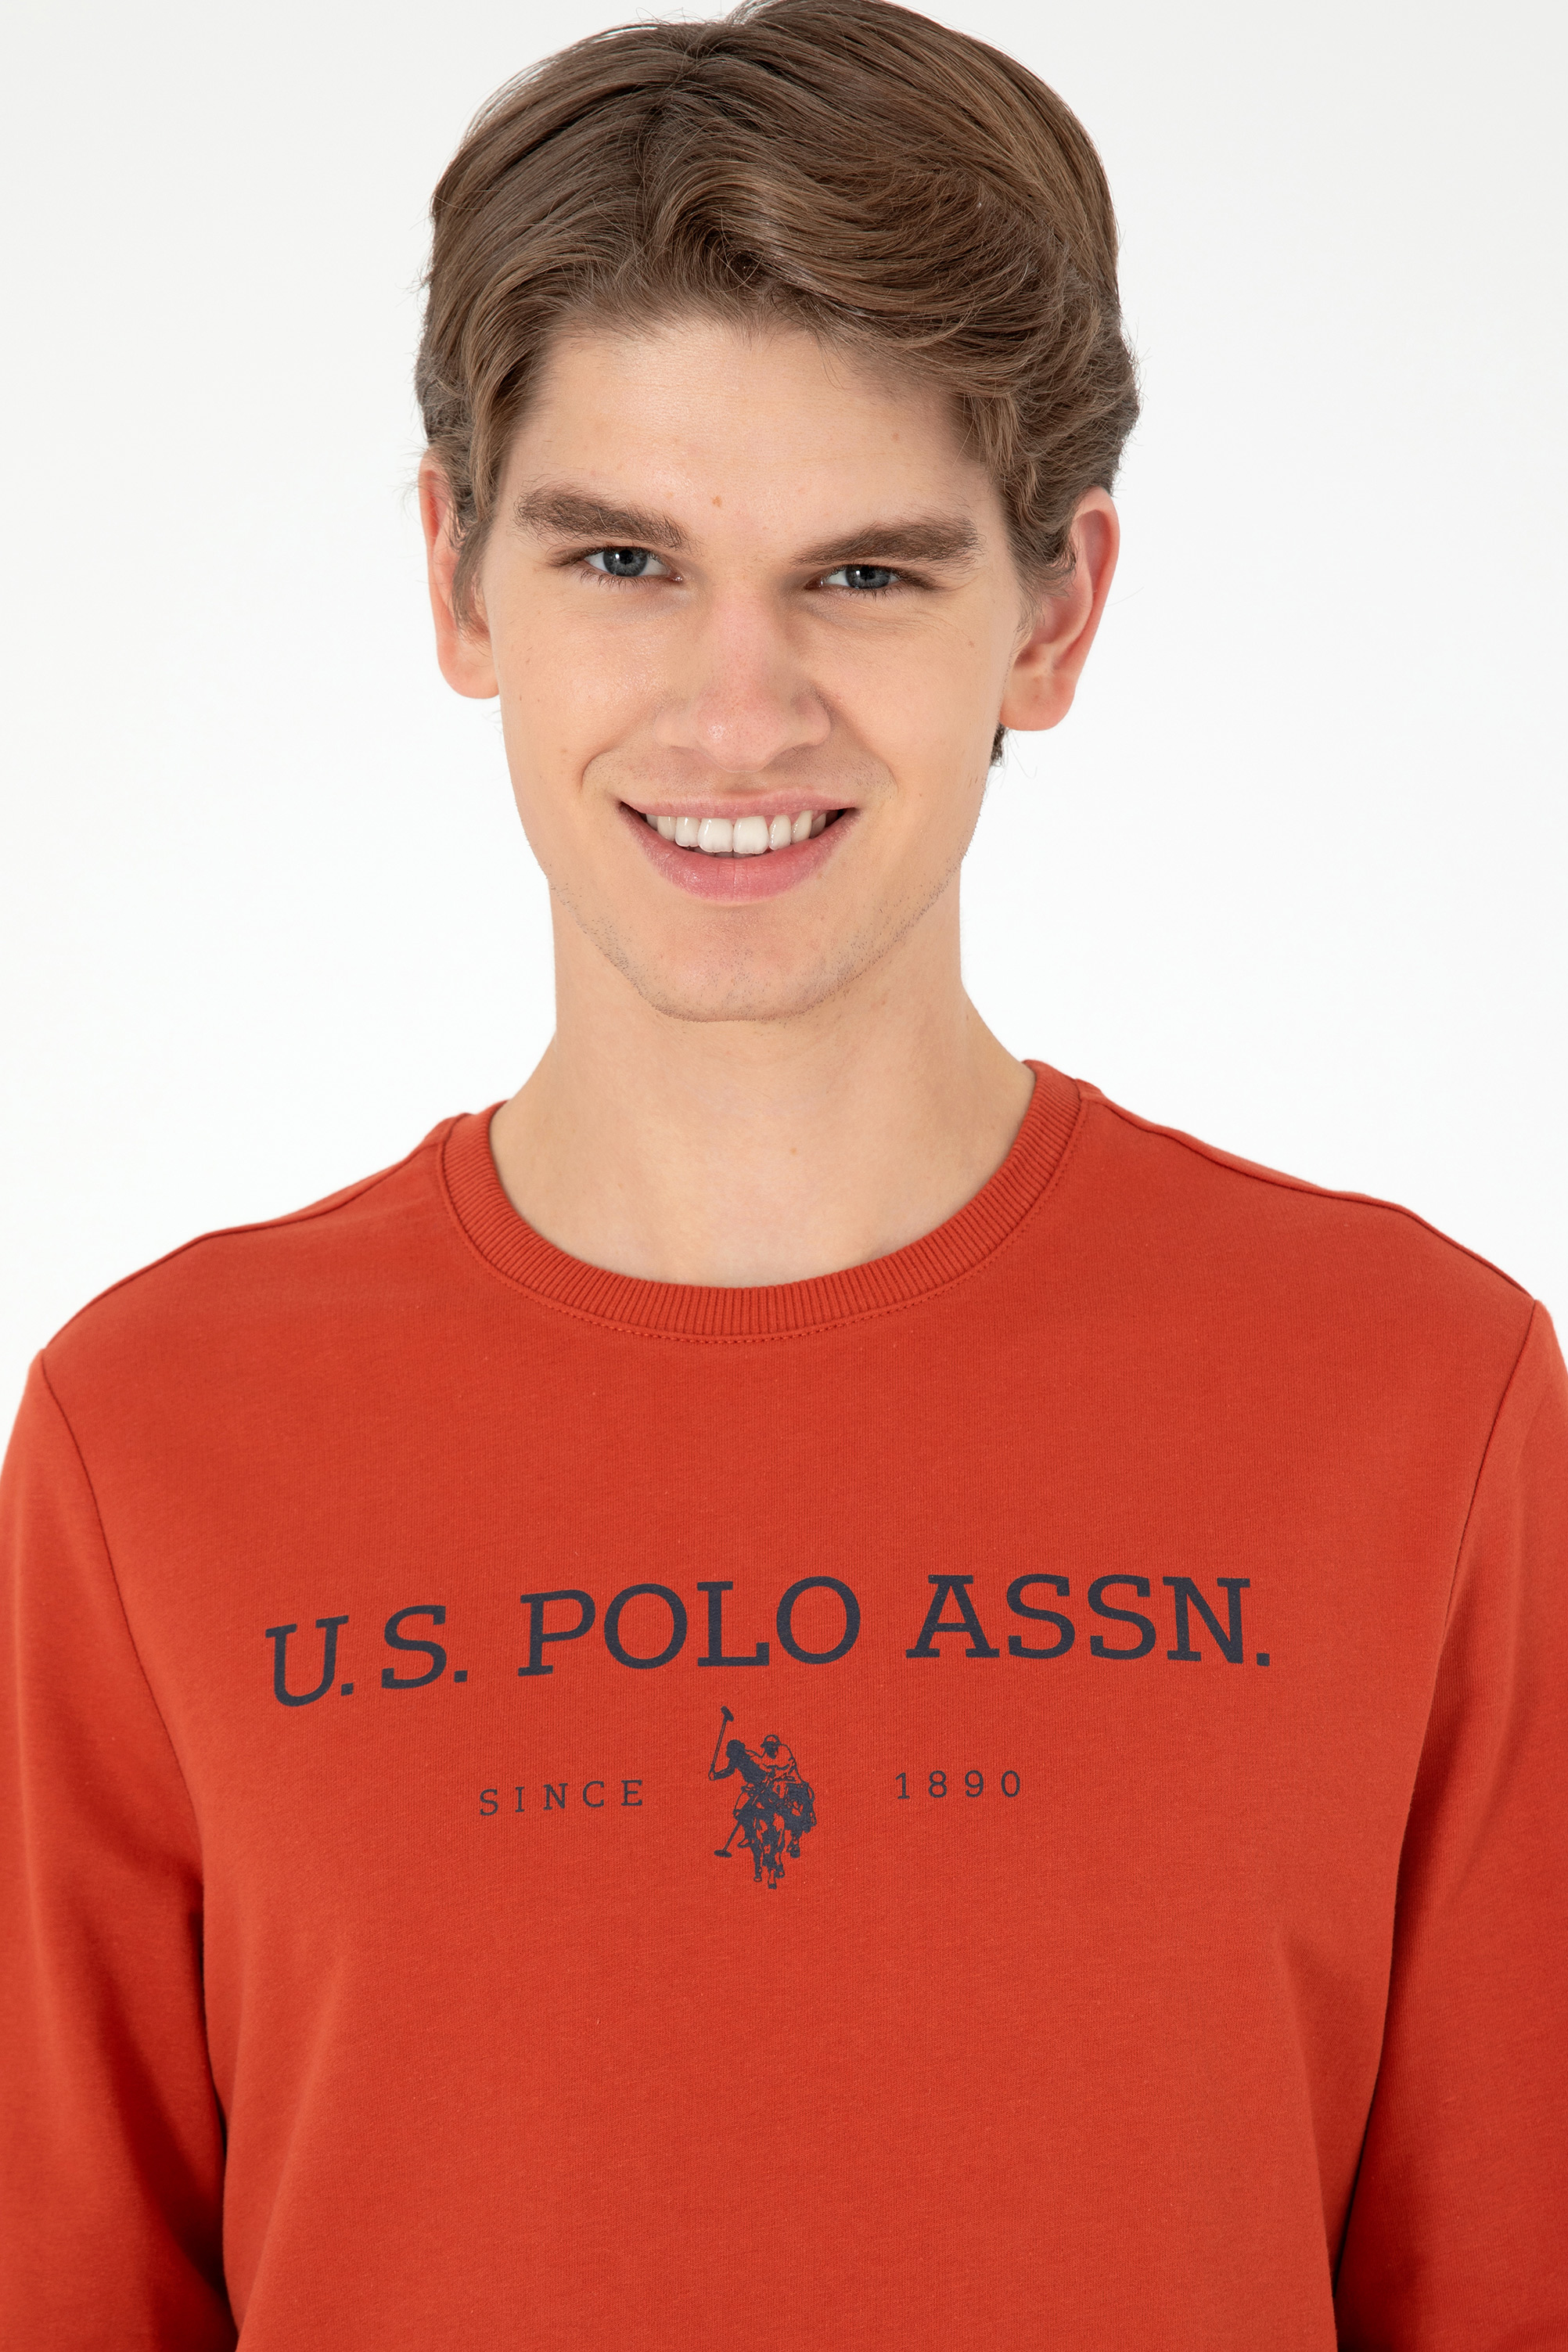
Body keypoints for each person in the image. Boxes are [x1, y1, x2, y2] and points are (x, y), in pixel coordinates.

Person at [2, 0, 1563, 2344]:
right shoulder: (151, 1442)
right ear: (459, 581)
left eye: (865, 577)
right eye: (626, 558)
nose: (737, 716)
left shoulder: (1417, 1404)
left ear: (1053, 615)